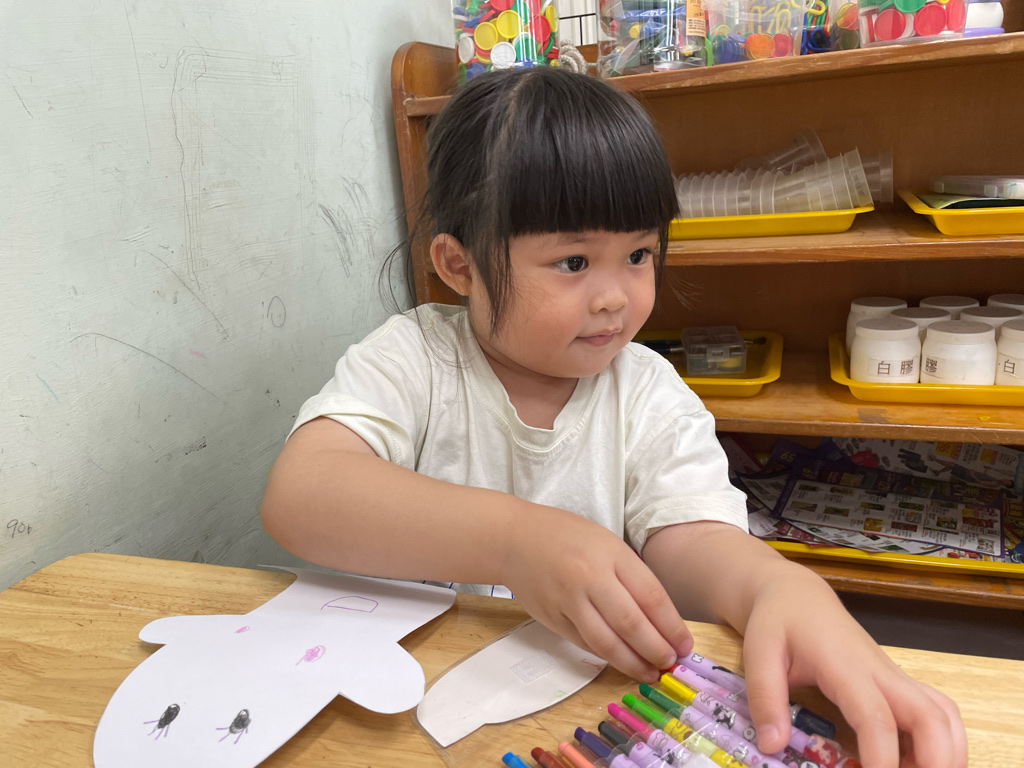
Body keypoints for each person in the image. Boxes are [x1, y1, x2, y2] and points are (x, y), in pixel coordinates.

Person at [261, 67, 965, 768]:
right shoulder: (415, 357)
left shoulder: (648, 391)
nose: (615, 297)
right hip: (394, 704)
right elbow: (300, 495)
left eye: (637, 254)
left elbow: (689, 539)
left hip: (583, 715)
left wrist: (776, 587)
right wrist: (513, 541)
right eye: (573, 261)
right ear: (460, 266)